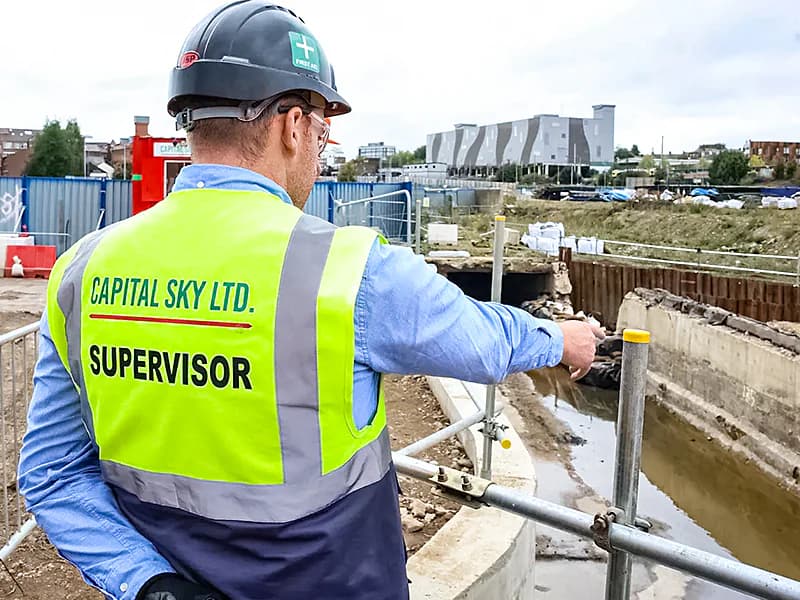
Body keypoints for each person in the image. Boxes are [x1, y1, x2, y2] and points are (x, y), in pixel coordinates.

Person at [18, 3, 602, 599]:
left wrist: (150, 585)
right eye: (324, 131)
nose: (321, 152)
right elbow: (484, 342)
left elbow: (52, 474)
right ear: (292, 126)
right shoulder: (350, 269)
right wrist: (561, 338)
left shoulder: (81, 272)